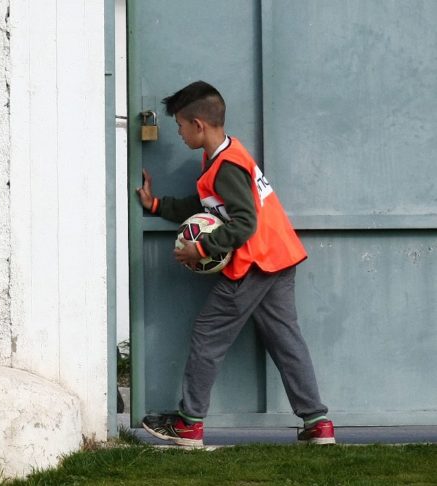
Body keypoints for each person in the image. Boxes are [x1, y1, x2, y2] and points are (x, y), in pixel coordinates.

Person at [137, 81, 334, 447]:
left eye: (180, 126)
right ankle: (317, 423)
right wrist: (157, 205)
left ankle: (189, 423)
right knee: (286, 340)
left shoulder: (227, 167)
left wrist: (202, 248)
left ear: (198, 125)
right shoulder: (225, 155)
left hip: (255, 263)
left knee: (208, 333)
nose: (179, 133)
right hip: (279, 257)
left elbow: (245, 223)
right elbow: (204, 205)